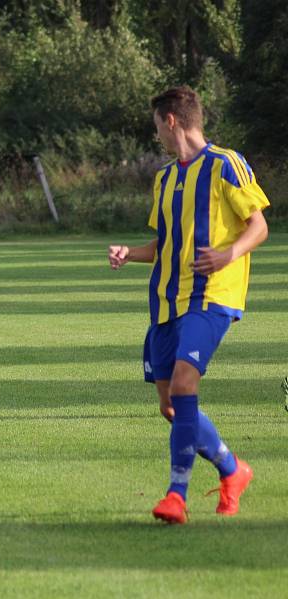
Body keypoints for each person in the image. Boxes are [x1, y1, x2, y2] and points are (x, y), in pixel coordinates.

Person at [108, 86, 270, 524]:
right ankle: (233, 470)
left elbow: (258, 226)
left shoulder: (225, 165)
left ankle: (176, 495)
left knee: (184, 384)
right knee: (172, 407)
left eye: (157, 125)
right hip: (164, 302)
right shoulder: (164, 178)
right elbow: (166, 243)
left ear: (171, 121)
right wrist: (131, 253)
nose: (156, 133)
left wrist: (227, 255)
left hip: (211, 297)